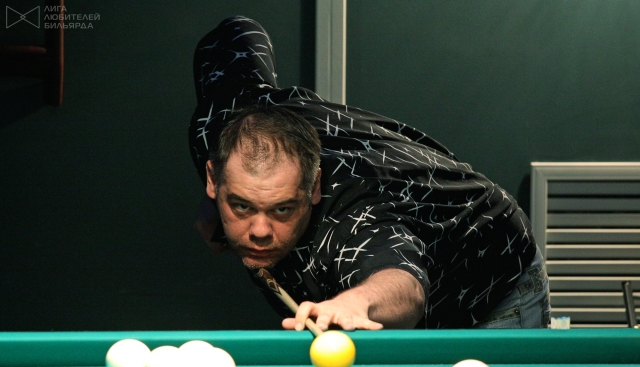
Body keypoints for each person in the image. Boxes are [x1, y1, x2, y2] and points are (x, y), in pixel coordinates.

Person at [188, 16, 550, 331]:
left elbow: (404, 285)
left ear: (313, 187)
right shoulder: (220, 121)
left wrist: (354, 303)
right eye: (242, 205)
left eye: (282, 208)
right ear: (213, 178)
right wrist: (212, 210)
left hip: (488, 272)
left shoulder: (354, 219)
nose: (259, 231)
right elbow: (237, 32)